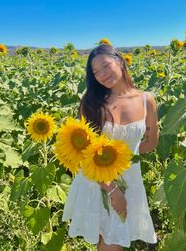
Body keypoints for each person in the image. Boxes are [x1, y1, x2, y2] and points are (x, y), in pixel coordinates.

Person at [62, 43, 158, 251]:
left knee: (111, 242)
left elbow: (151, 142)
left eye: (105, 66)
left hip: (130, 182)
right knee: (107, 242)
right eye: (96, 72)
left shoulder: (146, 100)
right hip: (97, 182)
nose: (102, 75)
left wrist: (123, 157)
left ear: (120, 61)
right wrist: (113, 190)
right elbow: (86, 153)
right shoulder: (92, 102)